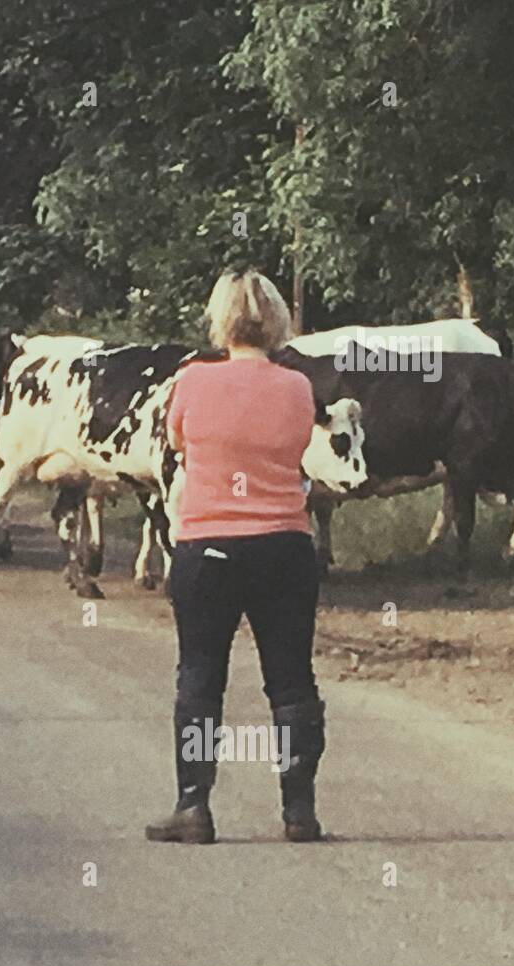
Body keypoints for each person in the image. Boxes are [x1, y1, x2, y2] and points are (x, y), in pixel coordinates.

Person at [146, 270, 327, 845]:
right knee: (292, 682)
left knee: (200, 679)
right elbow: (298, 445)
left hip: (208, 545)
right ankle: (299, 812)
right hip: (283, 545)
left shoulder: (192, 381)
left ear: (219, 321)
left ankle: (193, 805)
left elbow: (177, 441)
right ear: (276, 321)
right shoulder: (298, 387)